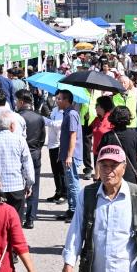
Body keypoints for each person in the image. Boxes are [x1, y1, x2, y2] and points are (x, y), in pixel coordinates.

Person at [0, 111, 35, 222]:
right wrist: (29, 184)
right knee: (15, 223)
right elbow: (27, 165)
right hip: (16, 187)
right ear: (12, 125)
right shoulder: (20, 141)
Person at [15, 90, 46, 229]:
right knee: (34, 185)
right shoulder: (39, 117)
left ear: (21, 102)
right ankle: (31, 217)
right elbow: (42, 138)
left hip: (20, 154)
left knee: (19, 185)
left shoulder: (16, 117)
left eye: (17, 101)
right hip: (35, 153)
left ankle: (19, 216)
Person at [99, 106, 137, 185]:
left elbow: (100, 158)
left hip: (111, 177)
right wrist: (134, 161)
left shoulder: (107, 136)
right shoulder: (134, 135)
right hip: (131, 178)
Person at [56, 90, 83, 223]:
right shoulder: (67, 113)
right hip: (66, 153)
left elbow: (73, 135)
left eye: (59, 99)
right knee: (69, 183)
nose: (57, 101)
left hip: (71, 155)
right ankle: (71, 208)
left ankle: (77, 212)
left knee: (73, 183)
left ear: (66, 100)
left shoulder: (72, 114)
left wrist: (69, 156)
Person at [45, 93, 66, 204]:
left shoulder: (65, 112)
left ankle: (65, 193)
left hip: (60, 144)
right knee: (55, 170)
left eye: (59, 99)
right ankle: (58, 192)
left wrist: (45, 120)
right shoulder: (54, 110)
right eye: (56, 98)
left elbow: (57, 124)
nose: (57, 100)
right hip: (52, 143)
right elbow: (51, 121)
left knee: (61, 170)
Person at [91, 96, 115, 165]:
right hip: (96, 152)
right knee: (98, 175)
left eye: (96, 105)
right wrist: (86, 120)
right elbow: (88, 133)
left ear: (103, 106)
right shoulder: (97, 119)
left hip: (107, 154)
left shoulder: (111, 120)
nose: (95, 108)